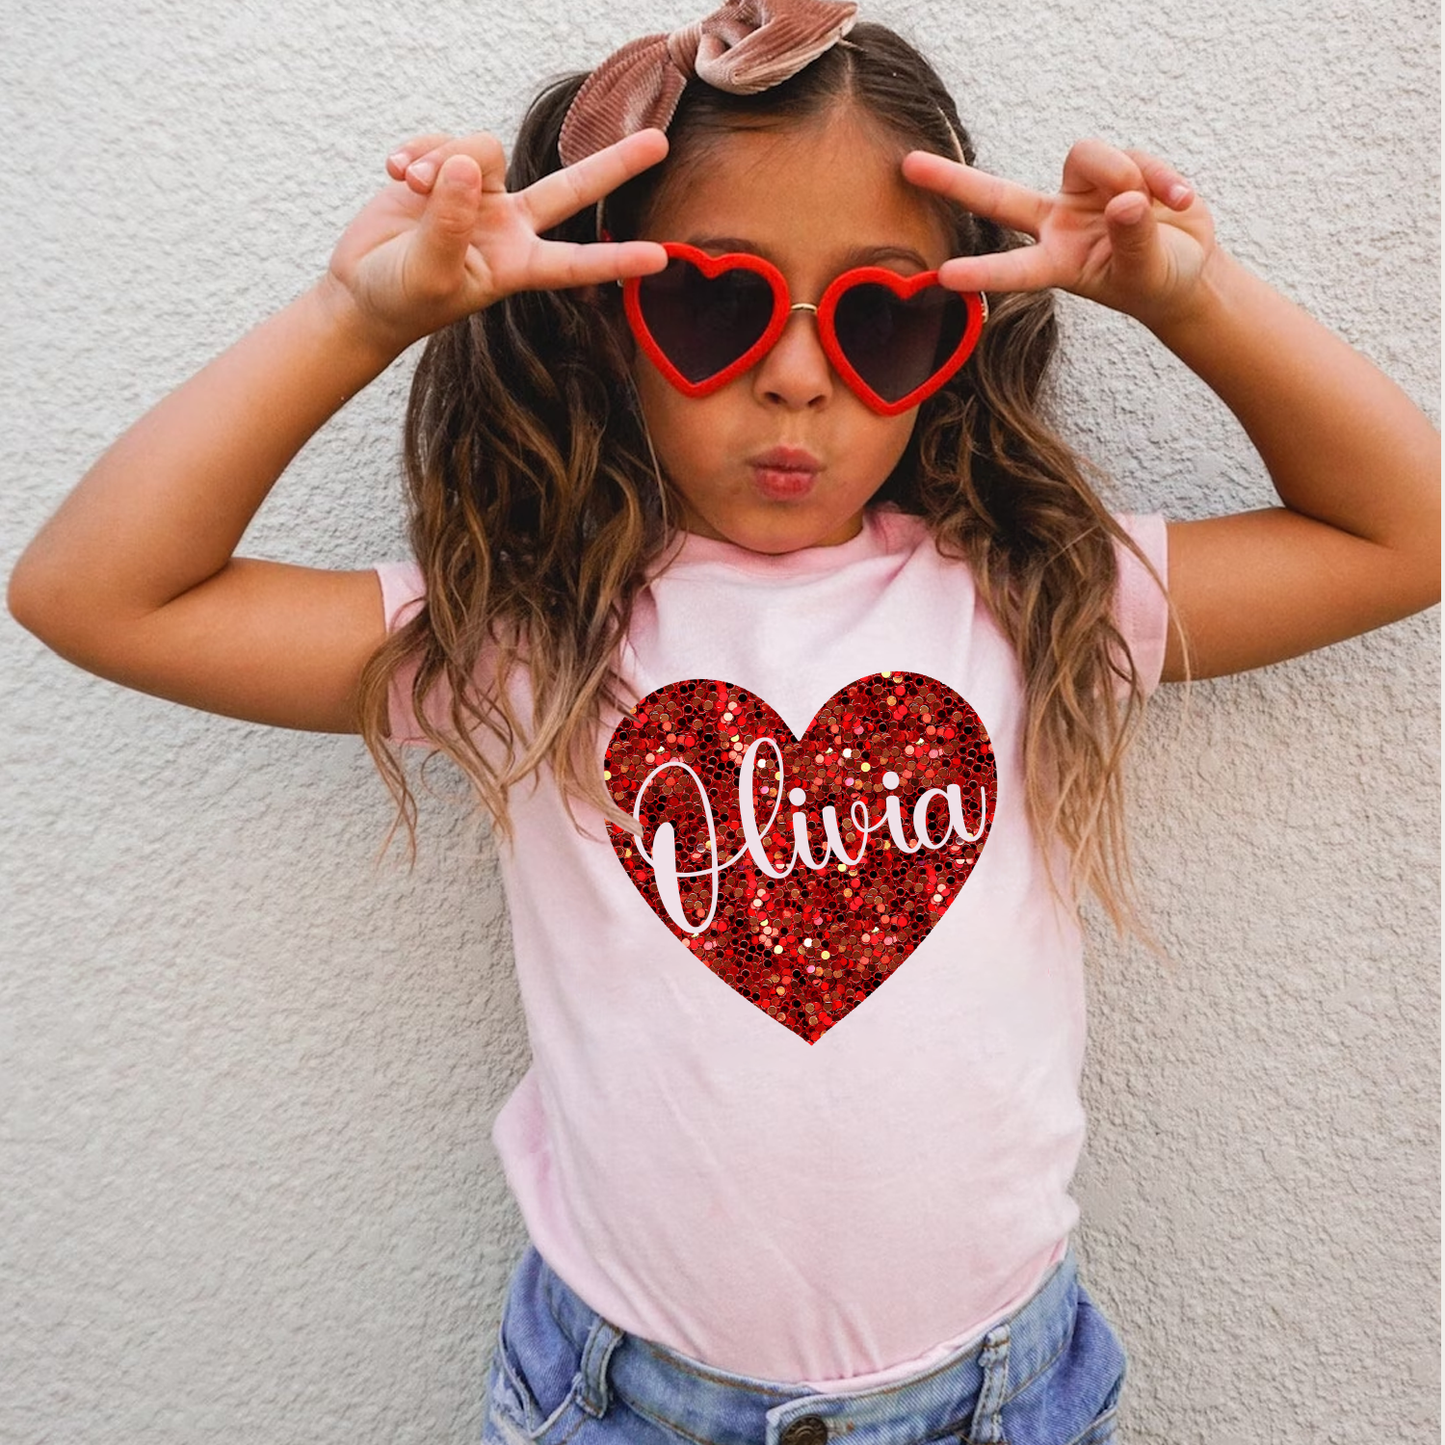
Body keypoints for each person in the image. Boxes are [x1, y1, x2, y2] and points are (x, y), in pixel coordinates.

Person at [8, 1, 1438, 1441]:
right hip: (623, 1403)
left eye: (887, 316)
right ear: (603, 316)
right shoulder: (530, 630)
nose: (802, 373)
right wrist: (358, 316)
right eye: (715, 304)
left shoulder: (1031, 591)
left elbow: (1405, 533)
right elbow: (98, 596)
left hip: (1003, 1401)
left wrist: (1189, 296)